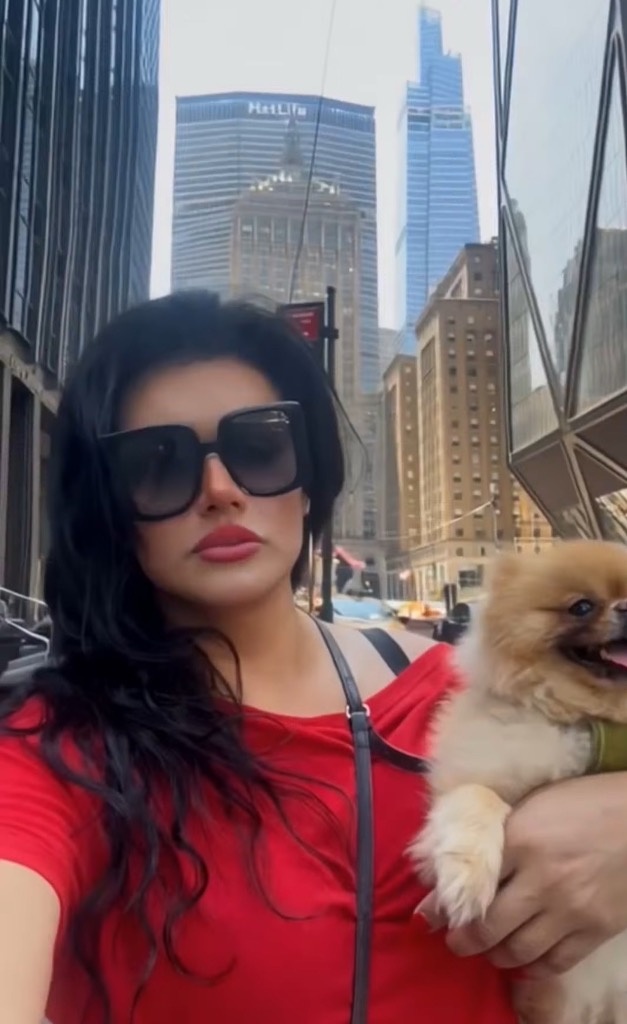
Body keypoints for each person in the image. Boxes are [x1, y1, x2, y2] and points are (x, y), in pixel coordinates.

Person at [1, 293, 627, 1024]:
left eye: (259, 447)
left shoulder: (469, 694)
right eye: (157, 464)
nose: (220, 491)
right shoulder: (61, 751)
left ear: (307, 481)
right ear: (110, 509)